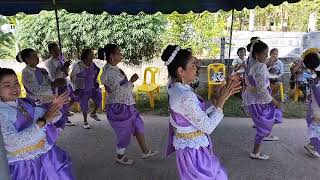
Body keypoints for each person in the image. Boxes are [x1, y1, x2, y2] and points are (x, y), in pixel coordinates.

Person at [163, 45, 241, 180]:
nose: (197, 68)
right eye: (193, 64)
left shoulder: (177, 87)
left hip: (192, 148)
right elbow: (208, 126)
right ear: (181, 71)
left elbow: (197, 112)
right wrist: (222, 100)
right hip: (194, 153)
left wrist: (218, 96)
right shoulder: (184, 96)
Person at [0, 68, 75, 180]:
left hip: (46, 155)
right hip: (25, 165)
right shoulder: (2, 112)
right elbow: (12, 142)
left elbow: (48, 118)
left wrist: (55, 107)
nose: (14, 88)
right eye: (7, 85)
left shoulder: (25, 102)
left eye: (16, 83)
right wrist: (43, 120)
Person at [100, 44, 158, 165]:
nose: (121, 55)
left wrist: (127, 82)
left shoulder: (113, 68)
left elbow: (118, 87)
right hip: (119, 107)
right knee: (124, 132)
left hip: (126, 104)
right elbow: (119, 93)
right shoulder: (110, 72)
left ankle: (145, 151)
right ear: (112, 56)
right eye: (119, 53)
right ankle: (120, 156)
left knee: (137, 125)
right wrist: (131, 81)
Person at [243, 40, 283, 160]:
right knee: (264, 124)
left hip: (258, 98)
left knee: (271, 117)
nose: (267, 56)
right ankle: (255, 152)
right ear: (257, 55)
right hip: (258, 100)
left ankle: (266, 133)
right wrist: (275, 101)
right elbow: (261, 90)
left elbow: (258, 81)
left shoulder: (254, 64)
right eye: (265, 54)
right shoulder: (259, 67)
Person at [18, 48, 67, 134]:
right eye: (34, 56)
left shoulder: (40, 70)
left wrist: (56, 82)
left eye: (36, 55)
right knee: (47, 123)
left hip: (47, 99)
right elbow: (35, 90)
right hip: (37, 102)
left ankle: (51, 138)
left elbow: (50, 81)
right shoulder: (26, 72)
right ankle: (48, 140)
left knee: (60, 118)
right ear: (27, 60)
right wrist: (53, 84)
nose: (37, 58)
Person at [44, 42, 75, 127]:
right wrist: (63, 68)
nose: (57, 52)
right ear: (50, 52)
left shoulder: (61, 59)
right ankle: (64, 120)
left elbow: (65, 72)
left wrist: (66, 67)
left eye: (58, 50)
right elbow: (53, 77)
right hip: (58, 86)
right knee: (62, 102)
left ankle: (65, 113)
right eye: (55, 50)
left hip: (65, 83)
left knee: (72, 97)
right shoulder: (49, 63)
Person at [70, 49, 102, 129]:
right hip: (82, 88)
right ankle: (85, 121)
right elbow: (72, 77)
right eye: (91, 55)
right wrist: (75, 88)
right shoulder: (78, 66)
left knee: (98, 99)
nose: (92, 56)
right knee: (84, 105)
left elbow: (95, 74)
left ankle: (93, 113)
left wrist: (96, 82)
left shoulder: (92, 64)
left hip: (92, 86)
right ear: (85, 57)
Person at [302, 48, 320, 158]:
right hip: (316, 112)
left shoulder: (316, 81)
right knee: (316, 129)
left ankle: (312, 145)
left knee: (316, 130)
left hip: (314, 111)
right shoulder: (317, 84)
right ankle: (313, 145)